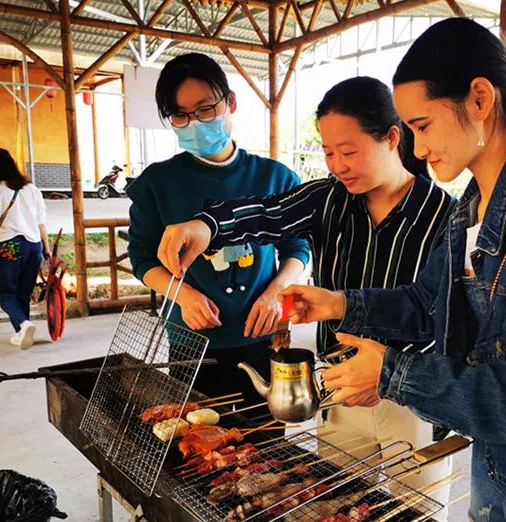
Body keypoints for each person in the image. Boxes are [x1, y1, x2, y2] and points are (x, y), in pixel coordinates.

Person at [276, 18, 506, 522]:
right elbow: (428, 304)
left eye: (421, 126)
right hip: (497, 454)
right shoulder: (471, 206)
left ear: (480, 100)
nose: (417, 151)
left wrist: (394, 374)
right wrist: (340, 303)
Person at [154, 76, 456, 512]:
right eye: (329, 152)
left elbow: (442, 317)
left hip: (413, 399)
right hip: (338, 388)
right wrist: (207, 226)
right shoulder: (328, 199)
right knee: (333, 505)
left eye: (348, 152)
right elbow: (266, 212)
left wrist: (391, 372)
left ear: (392, 138)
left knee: (415, 514)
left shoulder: (442, 216)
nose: (337, 165)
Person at [126, 53, 310, 413]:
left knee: (266, 443)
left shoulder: (275, 177)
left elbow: (298, 248)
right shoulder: (157, 183)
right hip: (191, 341)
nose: (194, 123)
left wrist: (275, 292)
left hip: (262, 332)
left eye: (205, 109)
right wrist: (183, 296)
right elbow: (142, 258)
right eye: (180, 115)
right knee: (198, 442)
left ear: (231, 103)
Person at [0, 148, 49, 349]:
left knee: (4, 290)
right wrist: (47, 249)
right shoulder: (31, 188)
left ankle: (23, 324)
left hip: (11, 246)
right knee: (23, 293)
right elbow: (41, 222)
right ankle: (22, 333)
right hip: (34, 246)